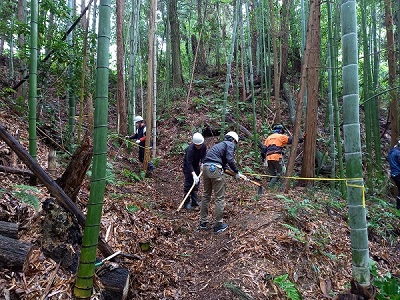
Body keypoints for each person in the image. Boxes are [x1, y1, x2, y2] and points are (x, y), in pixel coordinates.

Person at [199, 131, 248, 233]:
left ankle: (203, 222)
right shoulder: (230, 144)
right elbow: (230, 160)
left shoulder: (219, 146)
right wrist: (237, 171)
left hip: (206, 168)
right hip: (215, 169)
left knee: (206, 195)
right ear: (234, 140)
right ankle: (218, 225)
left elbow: (225, 167)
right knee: (219, 198)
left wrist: (236, 175)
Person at [182, 132, 207, 210]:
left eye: (200, 145)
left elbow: (203, 156)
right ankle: (186, 203)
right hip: (187, 166)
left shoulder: (203, 146)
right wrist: (193, 174)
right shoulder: (190, 149)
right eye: (197, 145)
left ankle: (194, 201)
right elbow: (189, 163)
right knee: (189, 183)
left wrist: (203, 163)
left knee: (196, 183)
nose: (199, 146)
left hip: (196, 165)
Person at [388, 140, 400, 209]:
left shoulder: (391, 151)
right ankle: (398, 206)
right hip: (398, 173)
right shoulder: (398, 153)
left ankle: (398, 206)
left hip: (394, 174)